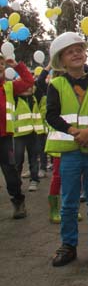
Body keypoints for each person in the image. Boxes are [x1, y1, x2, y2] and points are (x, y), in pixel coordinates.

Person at [45, 32, 88, 267]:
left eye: (79, 49)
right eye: (69, 51)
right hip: (70, 153)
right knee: (69, 202)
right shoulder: (55, 85)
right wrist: (76, 133)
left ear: (85, 55)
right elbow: (51, 115)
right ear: (61, 60)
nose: (76, 53)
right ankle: (68, 245)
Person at [0, 52, 34, 218]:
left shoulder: (9, 87)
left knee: (11, 172)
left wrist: (17, 66)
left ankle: (18, 202)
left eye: (1, 64)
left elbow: (29, 81)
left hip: (5, 137)